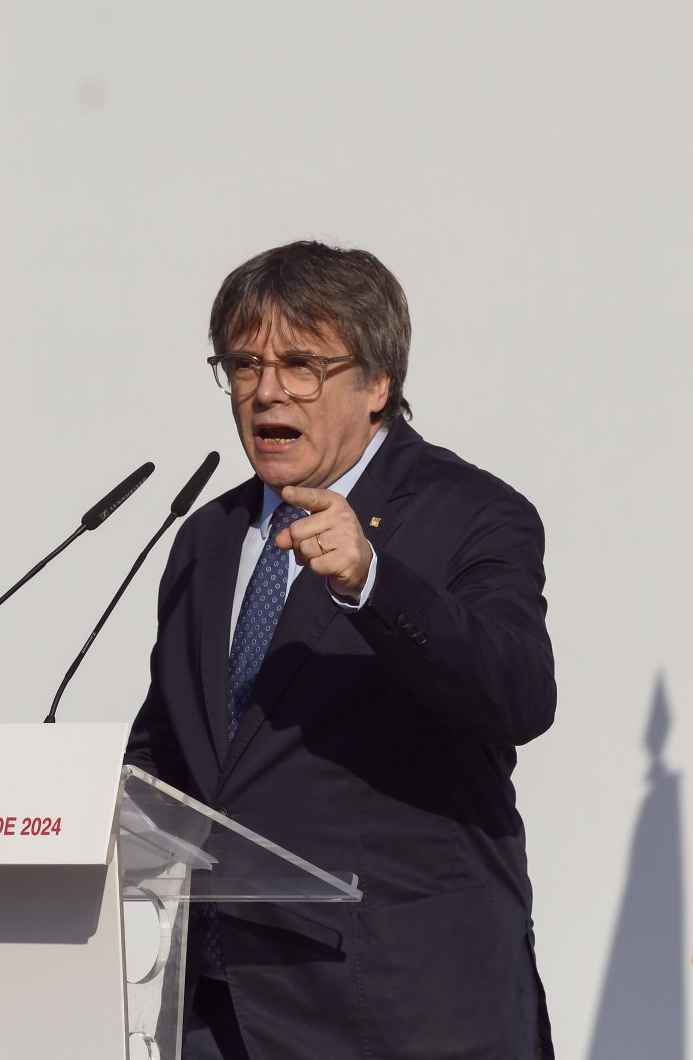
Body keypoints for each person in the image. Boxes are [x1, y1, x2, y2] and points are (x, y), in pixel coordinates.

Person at [126, 241, 556, 1059]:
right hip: (217, 1014)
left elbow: (519, 697)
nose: (266, 391)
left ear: (377, 382)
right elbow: (173, 754)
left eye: (302, 365)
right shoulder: (206, 538)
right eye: (245, 364)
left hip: (401, 1014)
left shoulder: (471, 514)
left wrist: (373, 582)